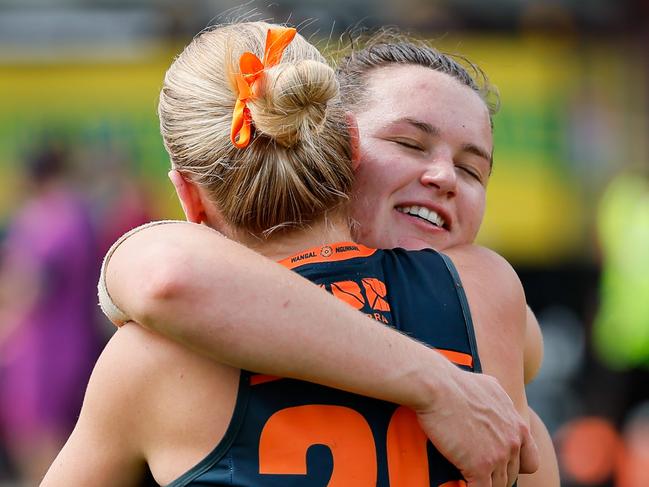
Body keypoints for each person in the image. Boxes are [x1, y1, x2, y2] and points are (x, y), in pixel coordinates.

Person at [43, 23, 548, 487]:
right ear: (342, 144)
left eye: (472, 170)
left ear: (188, 195)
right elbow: (168, 275)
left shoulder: (152, 358)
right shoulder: (486, 293)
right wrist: (440, 385)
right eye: (408, 143)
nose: (442, 177)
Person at [0, 145, 101, 485]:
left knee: (41, 443)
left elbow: (31, 284)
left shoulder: (49, 219)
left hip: (43, 351)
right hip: (74, 344)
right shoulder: (79, 214)